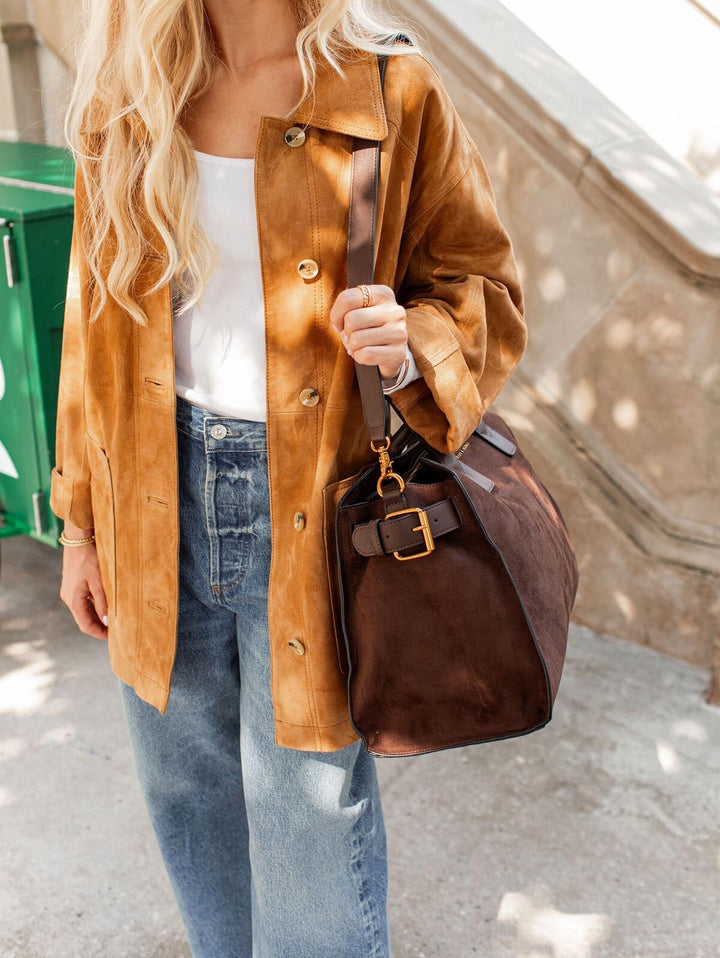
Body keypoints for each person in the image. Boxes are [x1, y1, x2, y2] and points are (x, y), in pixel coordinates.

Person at [50, 0, 527, 954]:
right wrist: (79, 523)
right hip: (150, 486)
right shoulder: (129, 89)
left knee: (308, 806)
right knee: (185, 788)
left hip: (313, 498)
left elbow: (484, 287)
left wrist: (409, 346)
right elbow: (88, 319)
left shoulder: (389, 85)